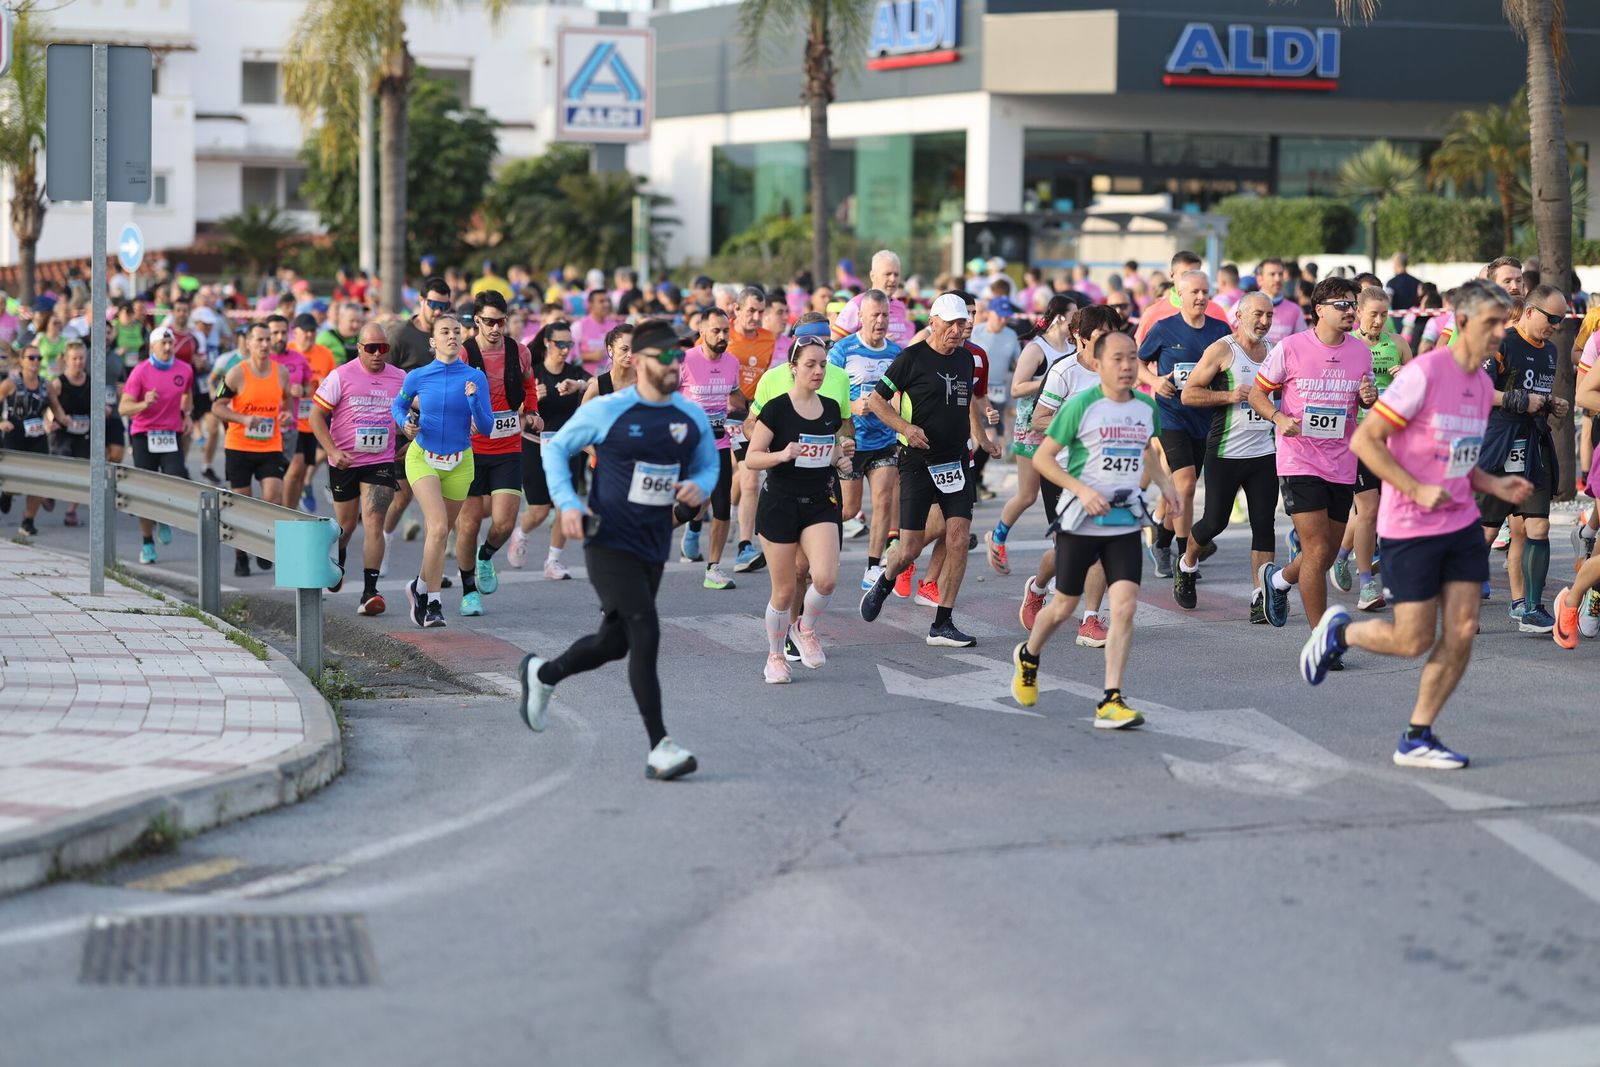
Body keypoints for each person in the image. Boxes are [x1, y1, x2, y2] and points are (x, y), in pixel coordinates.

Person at [1300, 280, 1531, 769]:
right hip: (1410, 524)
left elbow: (1454, 457)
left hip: (1461, 520)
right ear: (1461, 323)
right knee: (1414, 639)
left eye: (1505, 322)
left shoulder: (1482, 384)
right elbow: (1366, 441)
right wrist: (1416, 488)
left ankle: (1417, 735)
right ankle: (1339, 633)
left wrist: (1494, 483)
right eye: (1493, 322)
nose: (1500, 333)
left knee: (1464, 627)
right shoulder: (1424, 374)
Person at [516, 319, 717, 782]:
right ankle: (660, 746)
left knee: (614, 642)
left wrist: (697, 487)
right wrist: (566, 502)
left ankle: (543, 675)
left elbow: (709, 469)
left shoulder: (689, 416)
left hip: (652, 543)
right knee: (645, 630)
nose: (676, 363)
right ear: (643, 361)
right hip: (608, 540)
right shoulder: (608, 409)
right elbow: (554, 449)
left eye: (680, 356)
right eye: (667, 355)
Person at [1010, 331, 1178, 727]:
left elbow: (1147, 451)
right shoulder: (1080, 407)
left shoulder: (1144, 407)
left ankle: (1111, 699)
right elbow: (1044, 460)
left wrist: (1167, 485)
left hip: (1123, 521)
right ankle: (1029, 655)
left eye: (1132, 358)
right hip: (1081, 520)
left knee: (1124, 608)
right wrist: (1081, 490)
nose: (1126, 366)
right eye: (1117, 359)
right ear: (1098, 364)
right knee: (1064, 606)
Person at [1252, 278, 1377, 638]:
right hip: (1299, 459)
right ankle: (1321, 636)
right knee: (1317, 547)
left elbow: (1365, 401)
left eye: (1353, 304)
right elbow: (1258, 394)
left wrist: (1369, 397)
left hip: (1342, 460)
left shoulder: (1360, 352)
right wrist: (1278, 418)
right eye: (1343, 304)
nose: (1351, 310)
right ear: (1319, 309)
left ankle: (1277, 580)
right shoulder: (1290, 348)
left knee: (1324, 555)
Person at [859, 293, 983, 646]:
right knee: (910, 548)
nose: (959, 331)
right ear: (934, 322)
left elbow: (968, 401)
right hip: (916, 463)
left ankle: (942, 623)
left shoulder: (965, 360)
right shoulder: (911, 358)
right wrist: (905, 428)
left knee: (958, 539)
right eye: (952, 324)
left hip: (956, 460)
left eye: (963, 324)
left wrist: (982, 437)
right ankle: (885, 580)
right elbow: (877, 400)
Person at [746, 333, 849, 683]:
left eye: (823, 364)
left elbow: (830, 450)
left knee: (826, 577)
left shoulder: (831, 409)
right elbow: (752, 458)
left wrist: (842, 458)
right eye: (810, 364)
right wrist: (782, 454)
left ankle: (804, 629)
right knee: (785, 590)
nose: (818, 370)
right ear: (793, 368)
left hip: (819, 501)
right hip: (779, 503)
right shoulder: (776, 408)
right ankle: (775, 657)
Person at [1019, 305, 1124, 641]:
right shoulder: (1064, 372)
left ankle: (1090, 619)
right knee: (1069, 551)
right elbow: (1038, 419)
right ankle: (1037, 587)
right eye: (1102, 335)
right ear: (1080, 338)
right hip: (1062, 471)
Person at [1173, 292, 1279, 619]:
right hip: (1225, 451)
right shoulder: (1222, 350)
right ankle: (1187, 564)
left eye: (1269, 316)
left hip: (1264, 452)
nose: (1264, 322)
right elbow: (1189, 393)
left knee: (1264, 525)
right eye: (1258, 314)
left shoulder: (1275, 352)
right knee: (1213, 523)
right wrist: (1230, 395)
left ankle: (1260, 598)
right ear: (1241, 315)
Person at [1477, 283, 1570, 632]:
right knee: (1485, 534)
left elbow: (1537, 395)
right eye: (1552, 318)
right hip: (1498, 446)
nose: (1556, 326)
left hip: (1533, 447)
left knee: (1538, 526)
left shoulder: (1549, 351)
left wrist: (1551, 404)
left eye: (1560, 320)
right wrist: (1518, 400)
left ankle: (1531, 608)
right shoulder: (1500, 341)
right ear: (1530, 311)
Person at [391, 314, 494, 628]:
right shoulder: (418, 376)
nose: (452, 336)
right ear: (433, 342)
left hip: (460, 463)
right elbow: (398, 405)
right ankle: (433, 603)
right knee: (437, 529)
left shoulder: (475, 377)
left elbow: (487, 428)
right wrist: (404, 423)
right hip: (422, 457)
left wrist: (475, 401)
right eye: (445, 332)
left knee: (441, 534)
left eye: (456, 332)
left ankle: (418, 585)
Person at [1139, 269, 1233, 579]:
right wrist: (1154, 381)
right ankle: (1183, 556)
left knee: (1184, 488)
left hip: (1206, 417)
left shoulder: (1220, 330)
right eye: (1194, 292)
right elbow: (1138, 362)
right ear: (1180, 294)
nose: (1202, 297)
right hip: (1171, 415)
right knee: (1187, 484)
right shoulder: (1164, 328)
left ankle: (1161, 541)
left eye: (1206, 292)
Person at [310, 322, 407, 615]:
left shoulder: (400, 378)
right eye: (371, 348)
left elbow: (416, 412)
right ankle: (337, 556)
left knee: (375, 521)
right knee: (347, 524)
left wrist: (410, 443)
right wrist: (331, 450)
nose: (378, 354)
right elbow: (316, 416)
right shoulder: (341, 376)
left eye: (384, 348)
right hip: (345, 460)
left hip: (380, 460)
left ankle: (369, 593)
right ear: (359, 348)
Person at [454, 291, 541, 616]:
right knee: (469, 524)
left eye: (501, 322)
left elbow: (530, 386)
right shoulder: (464, 353)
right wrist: (466, 421)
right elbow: (449, 394)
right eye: (489, 321)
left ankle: (485, 557)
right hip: (471, 451)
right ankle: (468, 590)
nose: (495, 328)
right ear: (476, 321)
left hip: (507, 447)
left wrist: (531, 410)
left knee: (504, 523)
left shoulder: (518, 351)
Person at [1332, 287, 1413, 611]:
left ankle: (1340, 555)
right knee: (1367, 509)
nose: (1379, 321)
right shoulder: (1348, 346)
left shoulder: (1399, 344)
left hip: (1394, 437)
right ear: (1359, 312)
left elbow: (1421, 385)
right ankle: (1367, 584)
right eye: (1373, 314)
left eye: (1384, 314)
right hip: (1359, 437)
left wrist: (1407, 374)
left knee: (1383, 509)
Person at [986, 294, 1076, 577]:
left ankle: (1062, 554)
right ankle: (997, 537)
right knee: (1027, 495)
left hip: (1060, 427)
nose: (1078, 321)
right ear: (1060, 317)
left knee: (1060, 495)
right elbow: (1016, 388)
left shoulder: (1074, 346)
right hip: (1031, 426)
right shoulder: (1037, 349)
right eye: (1075, 315)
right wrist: (1050, 381)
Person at [830, 290, 902, 589]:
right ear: (861, 317)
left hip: (884, 439)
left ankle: (872, 566)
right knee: (848, 509)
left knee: (884, 500)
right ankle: (818, 549)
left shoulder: (897, 354)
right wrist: (852, 404)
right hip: (851, 440)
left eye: (885, 315)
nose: (881, 320)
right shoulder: (843, 350)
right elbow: (827, 393)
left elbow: (901, 395)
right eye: (875, 315)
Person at [511, 320, 590, 579]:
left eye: (569, 344)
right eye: (560, 344)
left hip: (567, 448)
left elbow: (600, 384)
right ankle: (520, 534)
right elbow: (513, 410)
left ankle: (553, 561)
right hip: (535, 446)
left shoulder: (575, 372)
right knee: (539, 510)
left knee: (564, 505)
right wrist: (531, 400)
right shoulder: (532, 373)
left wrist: (579, 386)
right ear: (546, 342)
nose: (565, 349)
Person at [215, 321, 294, 576]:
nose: (264, 344)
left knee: (273, 497)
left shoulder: (281, 372)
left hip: (270, 445)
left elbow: (288, 400)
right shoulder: (236, 373)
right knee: (242, 502)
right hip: (238, 446)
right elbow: (218, 406)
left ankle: (263, 546)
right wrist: (242, 419)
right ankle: (240, 554)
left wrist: (286, 416)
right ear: (247, 343)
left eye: (267, 339)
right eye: (258, 339)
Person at [384, 276, 453, 548]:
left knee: (438, 493)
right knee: (403, 497)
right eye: (433, 304)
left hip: (441, 426)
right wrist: (411, 402)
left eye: (443, 306)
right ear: (421, 301)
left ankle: (431, 566)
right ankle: (384, 542)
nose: (438, 311)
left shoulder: (448, 333)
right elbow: (386, 378)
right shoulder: (401, 336)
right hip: (407, 424)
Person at [677, 307, 741, 589]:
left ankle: (714, 568)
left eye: (725, 330)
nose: (722, 335)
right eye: (715, 330)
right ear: (702, 331)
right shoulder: (685, 360)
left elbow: (735, 395)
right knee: (689, 508)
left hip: (719, 442)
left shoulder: (732, 362)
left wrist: (750, 411)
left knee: (722, 506)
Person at [48, 340, 124, 530]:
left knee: (85, 472)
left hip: (84, 432)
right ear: (66, 359)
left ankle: (71, 511)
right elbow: (49, 405)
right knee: (64, 468)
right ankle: (48, 491)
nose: (79, 362)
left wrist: (104, 410)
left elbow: (100, 404)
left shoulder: (91, 382)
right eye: (75, 358)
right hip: (63, 435)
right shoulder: (58, 383)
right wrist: (52, 419)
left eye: (82, 358)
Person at [283, 313, 337, 514]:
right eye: (305, 331)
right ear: (294, 332)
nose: (309, 335)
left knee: (303, 469)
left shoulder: (325, 354)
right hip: (290, 420)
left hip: (313, 420)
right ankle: (285, 511)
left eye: (313, 331)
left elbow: (334, 385)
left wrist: (326, 385)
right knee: (295, 468)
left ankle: (293, 509)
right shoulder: (287, 352)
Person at [0, 345, 55, 538]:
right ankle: (7, 494)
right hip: (15, 437)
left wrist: (58, 422)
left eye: (39, 358)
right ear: (22, 360)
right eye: (31, 358)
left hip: (38, 438)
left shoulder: (46, 385)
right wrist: (1, 422)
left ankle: (28, 520)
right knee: (14, 484)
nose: (36, 362)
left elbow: (56, 409)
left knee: (38, 482)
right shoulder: (10, 383)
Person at [830, 249, 916, 346]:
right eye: (887, 274)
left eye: (896, 274)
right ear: (872, 276)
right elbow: (833, 343)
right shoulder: (857, 304)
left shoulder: (900, 306)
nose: (893, 279)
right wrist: (875, 345)